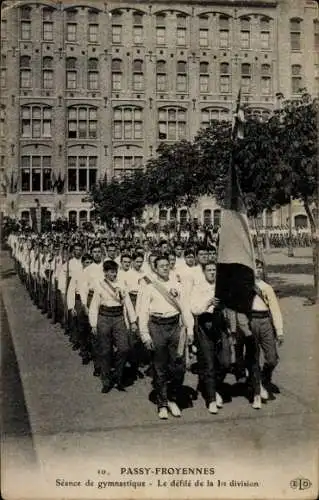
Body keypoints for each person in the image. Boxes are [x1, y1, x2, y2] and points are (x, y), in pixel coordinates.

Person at [138, 255, 194, 419]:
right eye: (160, 266)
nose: (164, 268)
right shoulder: (149, 287)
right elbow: (142, 313)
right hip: (156, 326)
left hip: (175, 326)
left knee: (178, 365)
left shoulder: (177, 285)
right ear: (154, 268)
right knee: (160, 366)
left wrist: (190, 330)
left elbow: (185, 309)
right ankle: (162, 403)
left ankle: (172, 397)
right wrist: (145, 335)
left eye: (166, 265)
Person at [88, 260, 137, 393]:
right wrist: (93, 324)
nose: (113, 274)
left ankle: (118, 377)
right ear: (105, 272)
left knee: (124, 348)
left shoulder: (121, 285)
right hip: (104, 317)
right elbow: (94, 306)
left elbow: (128, 303)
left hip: (119, 317)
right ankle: (106, 381)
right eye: (110, 272)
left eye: (115, 271)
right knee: (105, 350)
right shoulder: (99, 285)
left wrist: (133, 321)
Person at [190, 262, 229, 414]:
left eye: (214, 270)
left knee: (225, 362)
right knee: (209, 363)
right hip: (205, 325)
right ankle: (211, 398)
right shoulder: (198, 287)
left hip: (220, 324)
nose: (212, 273)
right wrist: (208, 302)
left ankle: (212, 386)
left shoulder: (221, 286)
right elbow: (195, 309)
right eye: (209, 270)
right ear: (204, 272)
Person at [248, 259, 284, 408]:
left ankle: (263, 379)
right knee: (253, 357)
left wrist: (279, 331)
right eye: (255, 268)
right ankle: (256, 392)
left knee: (272, 359)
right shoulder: (245, 287)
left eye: (260, 268)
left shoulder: (266, 288)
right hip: (251, 321)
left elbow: (275, 309)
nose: (258, 270)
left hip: (265, 321)